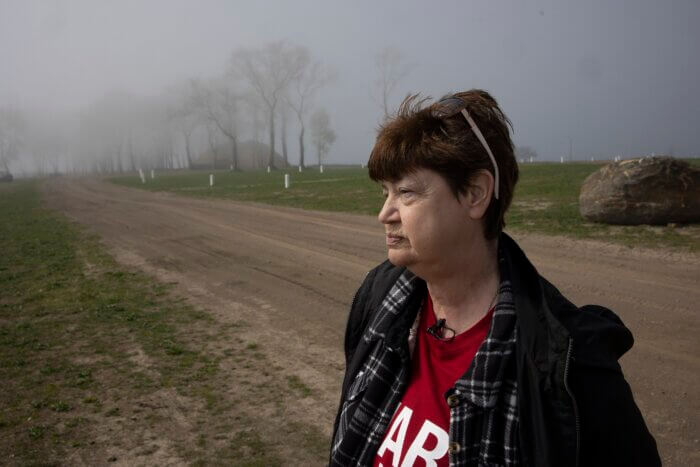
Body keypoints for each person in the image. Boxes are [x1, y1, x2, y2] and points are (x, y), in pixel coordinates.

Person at [329, 90, 660, 467]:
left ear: (475, 193)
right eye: (385, 192)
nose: (384, 213)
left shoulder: (568, 365)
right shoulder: (380, 297)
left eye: (405, 192)